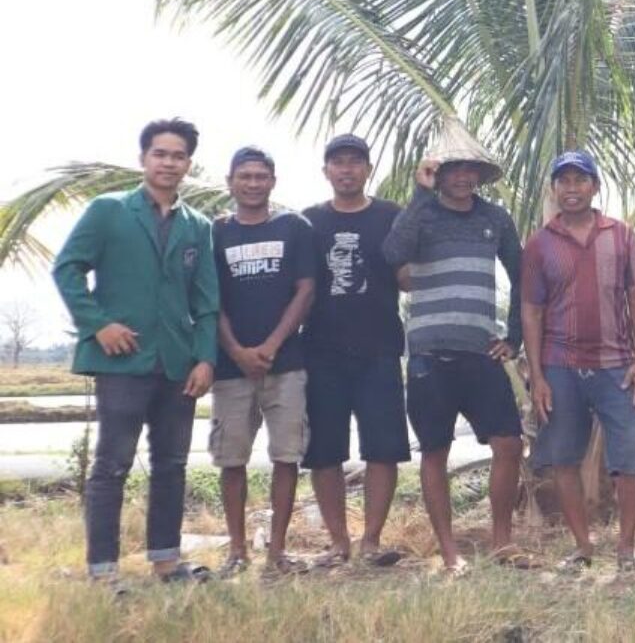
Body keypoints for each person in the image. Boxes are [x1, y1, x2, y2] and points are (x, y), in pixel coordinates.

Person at [54, 118, 220, 586]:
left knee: (172, 464)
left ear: (189, 163)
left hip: (178, 364)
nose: (169, 163)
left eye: (178, 155)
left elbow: (207, 302)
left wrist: (206, 358)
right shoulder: (108, 211)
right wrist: (98, 324)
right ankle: (103, 571)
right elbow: (68, 269)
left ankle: (167, 563)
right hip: (123, 361)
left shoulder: (198, 226)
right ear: (143, 158)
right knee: (112, 464)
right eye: (160, 154)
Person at [382, 131, 527, 573]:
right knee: (435, 450)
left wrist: (514, 338)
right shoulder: (420, 214)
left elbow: (522, 276)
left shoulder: (496, 219)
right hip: (429, 354)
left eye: (471, 170)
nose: (463, 177)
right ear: (438, 173)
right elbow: (392, 252)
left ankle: (501, 542)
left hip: (481, 352)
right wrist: (418, 194)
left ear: (480, 175)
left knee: (509, 443)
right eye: (453, 169)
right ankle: (449, 553)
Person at [522, 150, 635, 571]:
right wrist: (537, 376)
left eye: (581, 180)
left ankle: (627, 548)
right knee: (563, 457)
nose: (572, 188)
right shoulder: (539, 244)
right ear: (554, 189)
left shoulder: (621, 236)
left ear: (595, 187)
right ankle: (582, 547)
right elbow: (531, 311)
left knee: (631, 457)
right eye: (564, 181)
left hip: (618, 366)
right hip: (560, 366)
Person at [302, 134, 409, 569]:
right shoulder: (306, 222)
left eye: (354, 162)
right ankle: (338, 541)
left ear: (368, 169)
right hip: (321, 350)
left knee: (383, 449)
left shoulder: (392, 216)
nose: (346, 169)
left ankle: (371, 539)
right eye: (337, 162)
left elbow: (406, 276)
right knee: (325, 451)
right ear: (326, 170)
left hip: (379, 349)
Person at [210, 146, 316, 575]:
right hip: (230, 367)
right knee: (231, 460)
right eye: (244, 176)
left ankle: (277, 551)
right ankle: (237, 549)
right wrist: (236, 350)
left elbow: (306, 290)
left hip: (286, 363)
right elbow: (209, 299)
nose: (252, 183)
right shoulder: (215, 232)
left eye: (261, 176)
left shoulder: (295, 228)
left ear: (273, 181)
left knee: (286, 457)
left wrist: (271, 345)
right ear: (230, 182)